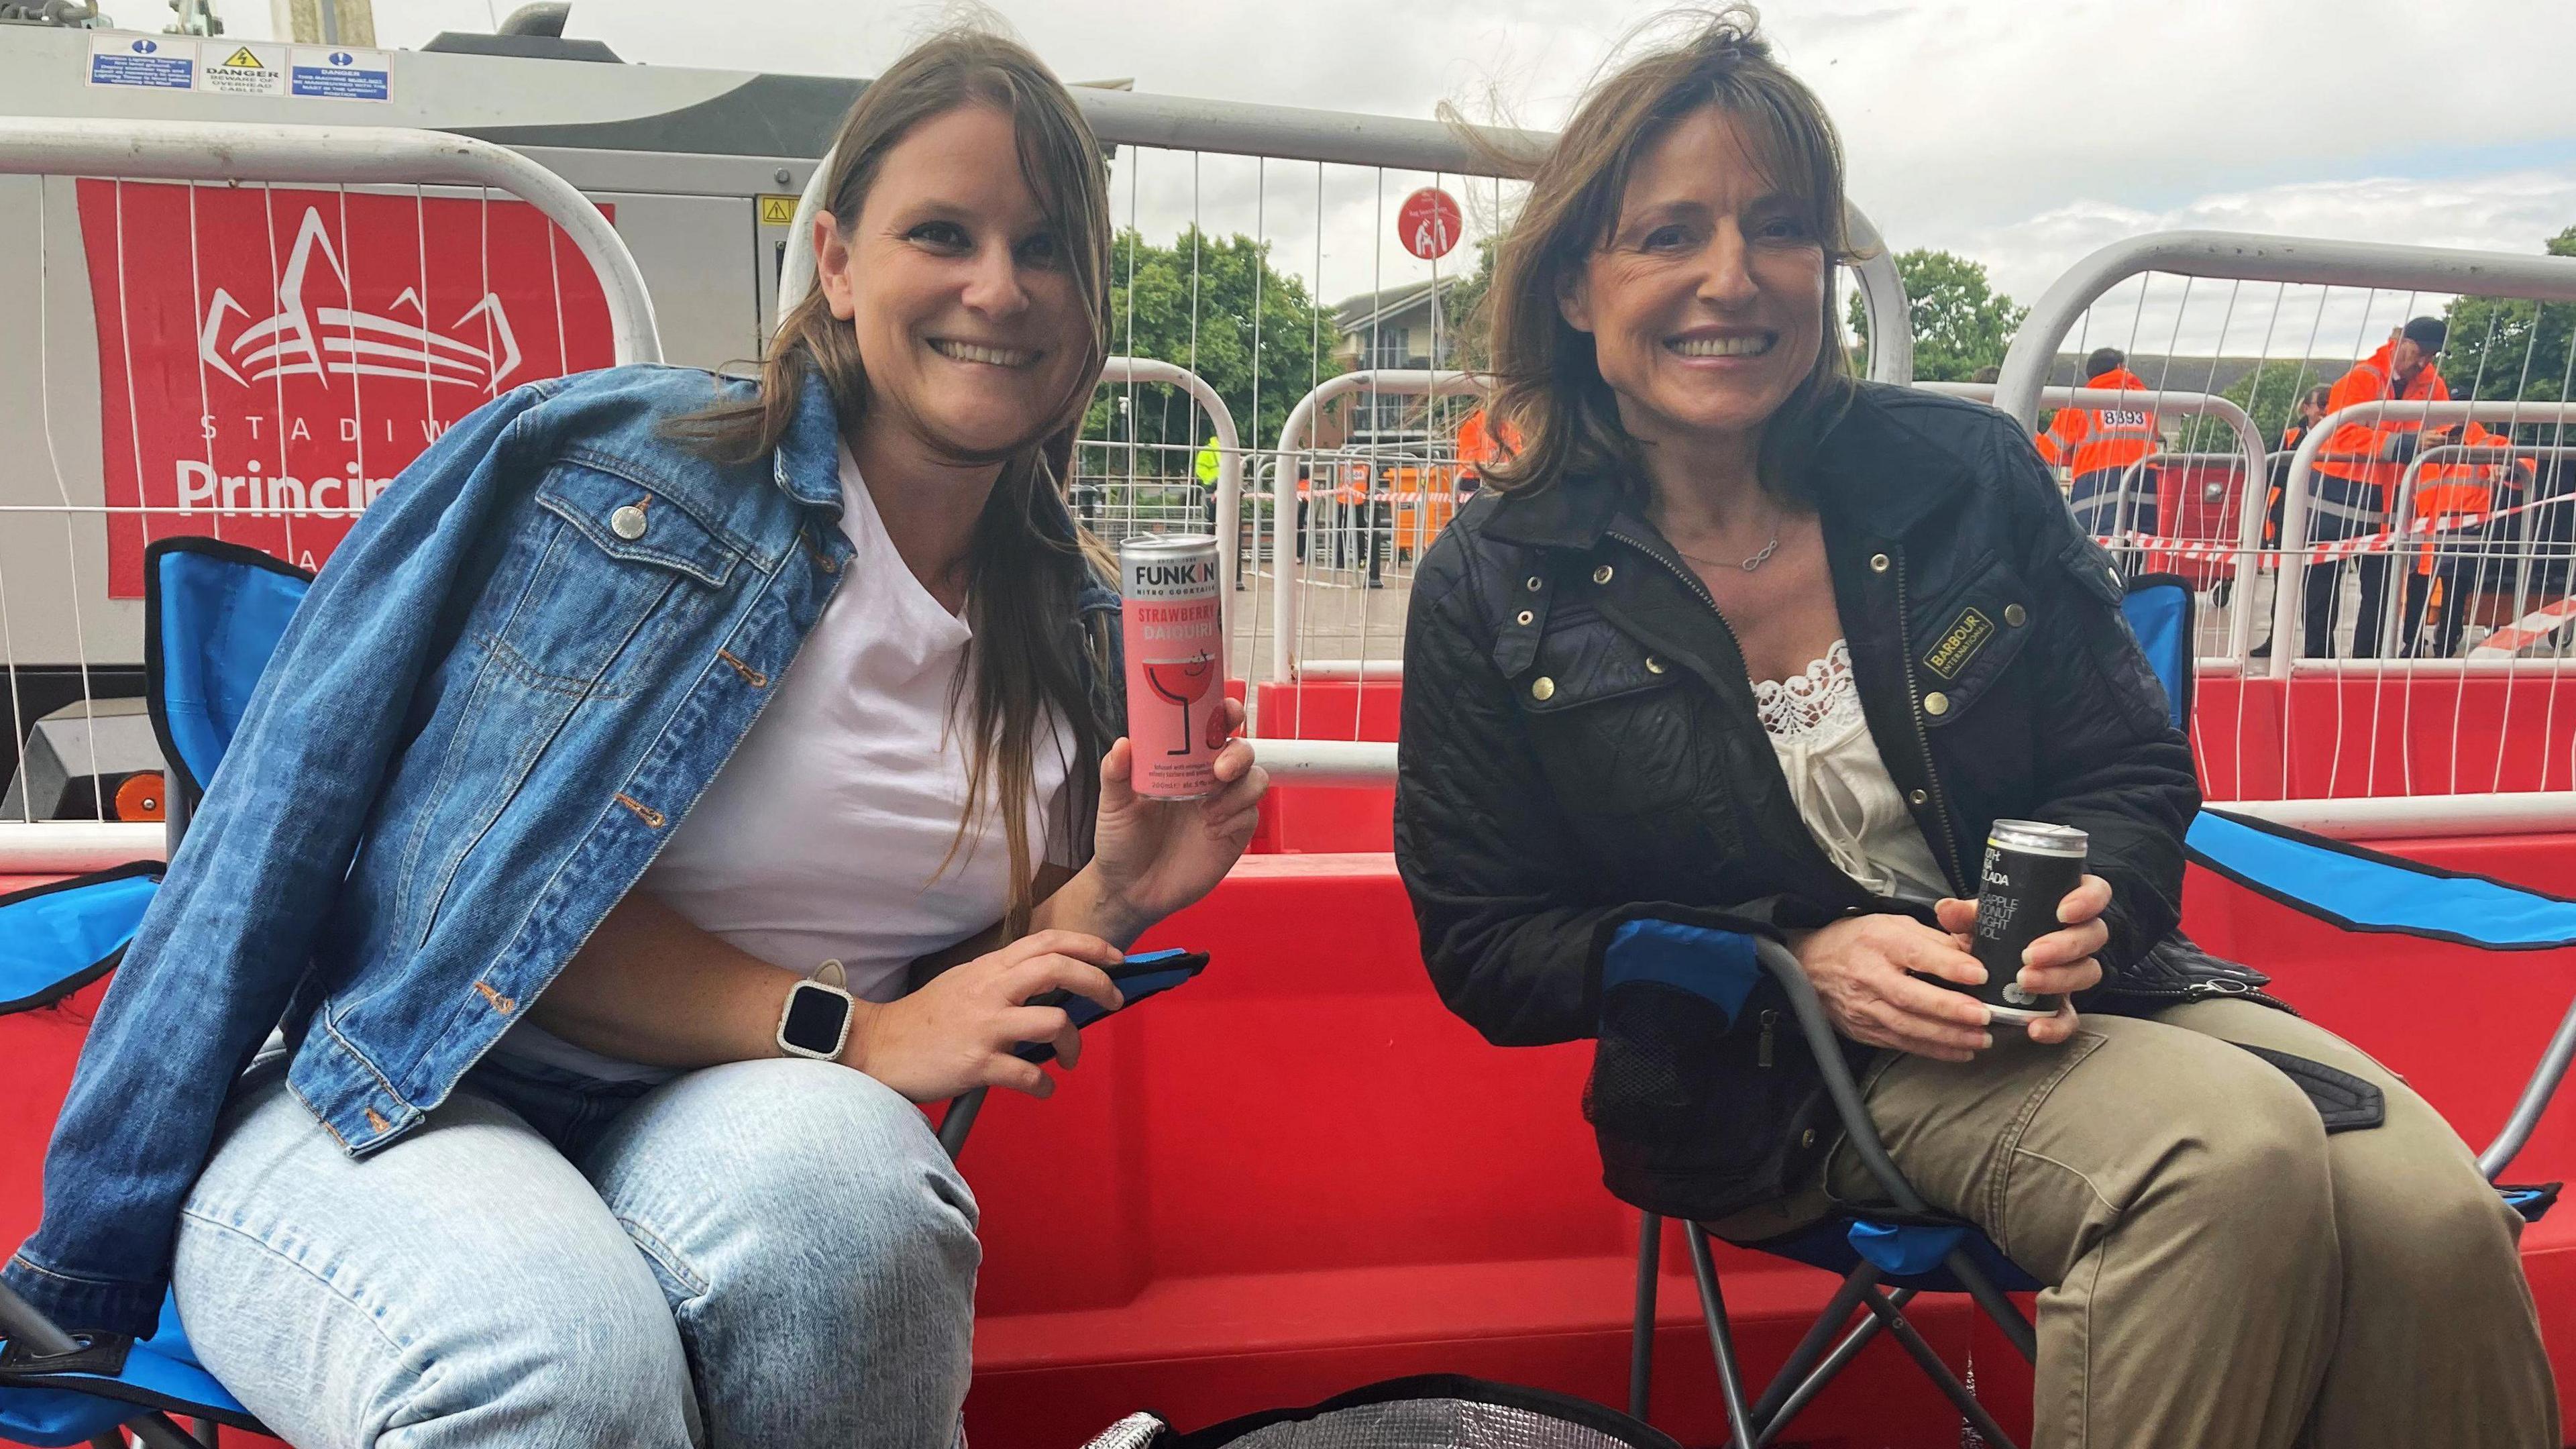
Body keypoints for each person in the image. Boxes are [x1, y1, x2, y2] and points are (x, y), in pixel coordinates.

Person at [3, 29, 1268, 1449]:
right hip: (404, 1086)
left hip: (721, 1119)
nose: (999, 287)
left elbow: (931, 1000)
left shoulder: (1086, 636)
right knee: (562, 1368)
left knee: (859, 1225)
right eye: (943, 232)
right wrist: (90, 1248)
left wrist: (1112, 894)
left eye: (1046, 247)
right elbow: (423, 877)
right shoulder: (632, 476)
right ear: (838, 264)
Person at [1393, 13, 2555, 1447]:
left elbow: (2130, 772)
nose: (1732, 278)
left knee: (2436, 1218)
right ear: (1577, 285)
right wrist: (1793, 962)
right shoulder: (1494, 579)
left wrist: (2099, 906)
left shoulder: (1962, 476)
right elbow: (1487, 948)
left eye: (1779, 229)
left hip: (2098, 1005)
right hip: (1782, 1081)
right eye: (1668, 234)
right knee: (2223, 1163)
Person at [2300, 315, 2508, 657]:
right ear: (2400, 341)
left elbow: (2452, 431)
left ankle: (2364, 667)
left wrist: (2490, 453)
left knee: (2381, 594)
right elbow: (2338, 436)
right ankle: (2316, 662)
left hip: (2387, 504)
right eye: (2420, 352)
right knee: (2321, 593)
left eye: (2432, 355)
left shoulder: (2433, 386)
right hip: (2334, 499)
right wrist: (2405, 444)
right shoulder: (2360, 380)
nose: (2424, 361)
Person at [2035, 346, 2161, 545]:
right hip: (2143, 507)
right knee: (2136, 567)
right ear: (2120, 367)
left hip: (2094, 508)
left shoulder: (2081, 402)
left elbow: (2047, 453)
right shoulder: (2146, 402)